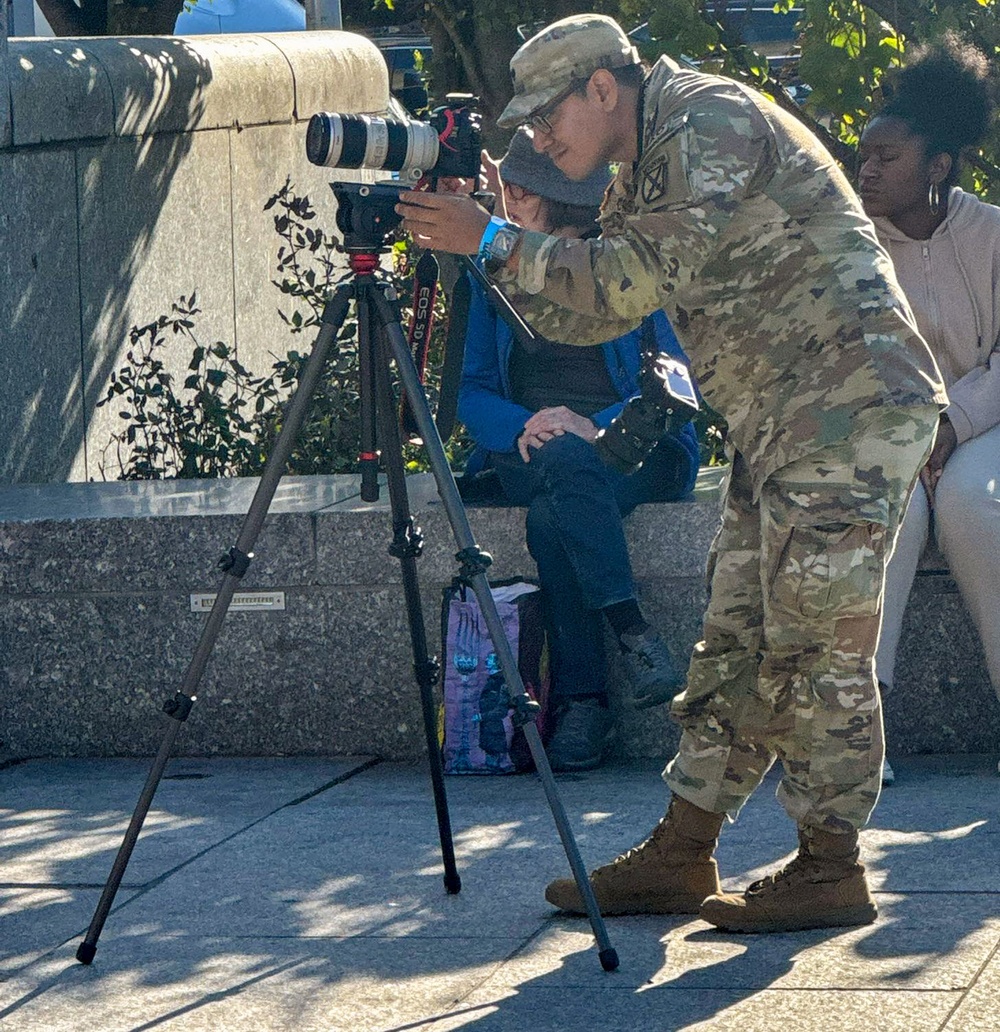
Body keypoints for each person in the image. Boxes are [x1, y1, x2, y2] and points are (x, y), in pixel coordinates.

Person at [397, 13, 948, 934]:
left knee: (816, 642)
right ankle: (683, 850)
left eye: (545, 119)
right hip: (784, 417)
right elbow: (591, 317)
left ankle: (832, 867)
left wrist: (495, 238)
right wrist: (486, 253)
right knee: (732, 635)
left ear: (602, 89)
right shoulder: (640, 163)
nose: (538, 140)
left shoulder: (706, 120)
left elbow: (630, 276)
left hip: (851, 398)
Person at [458, 129, 700, 772]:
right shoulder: (488, 273)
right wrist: (525, 424)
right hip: (531, 441)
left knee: (553, 512)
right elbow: (472, 392)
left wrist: (602, 426)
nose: (504, 203)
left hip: (636, 440)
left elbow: (674, 372)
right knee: (562, 466)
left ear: (562, 204)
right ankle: (633, 636)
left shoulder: (625, 263)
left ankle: (586, 701)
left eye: (521, 194)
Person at [857, 35, 1000, 782]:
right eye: (864, 156)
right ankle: (860, 727)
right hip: (891, 428)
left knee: (977, 505)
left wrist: (955, 424)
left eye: (887, 158)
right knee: (889, 512)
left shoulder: (995, 232)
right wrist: (915, 431)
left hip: (990, 422)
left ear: (938, 167)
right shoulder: (853, 249)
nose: (867, 170)